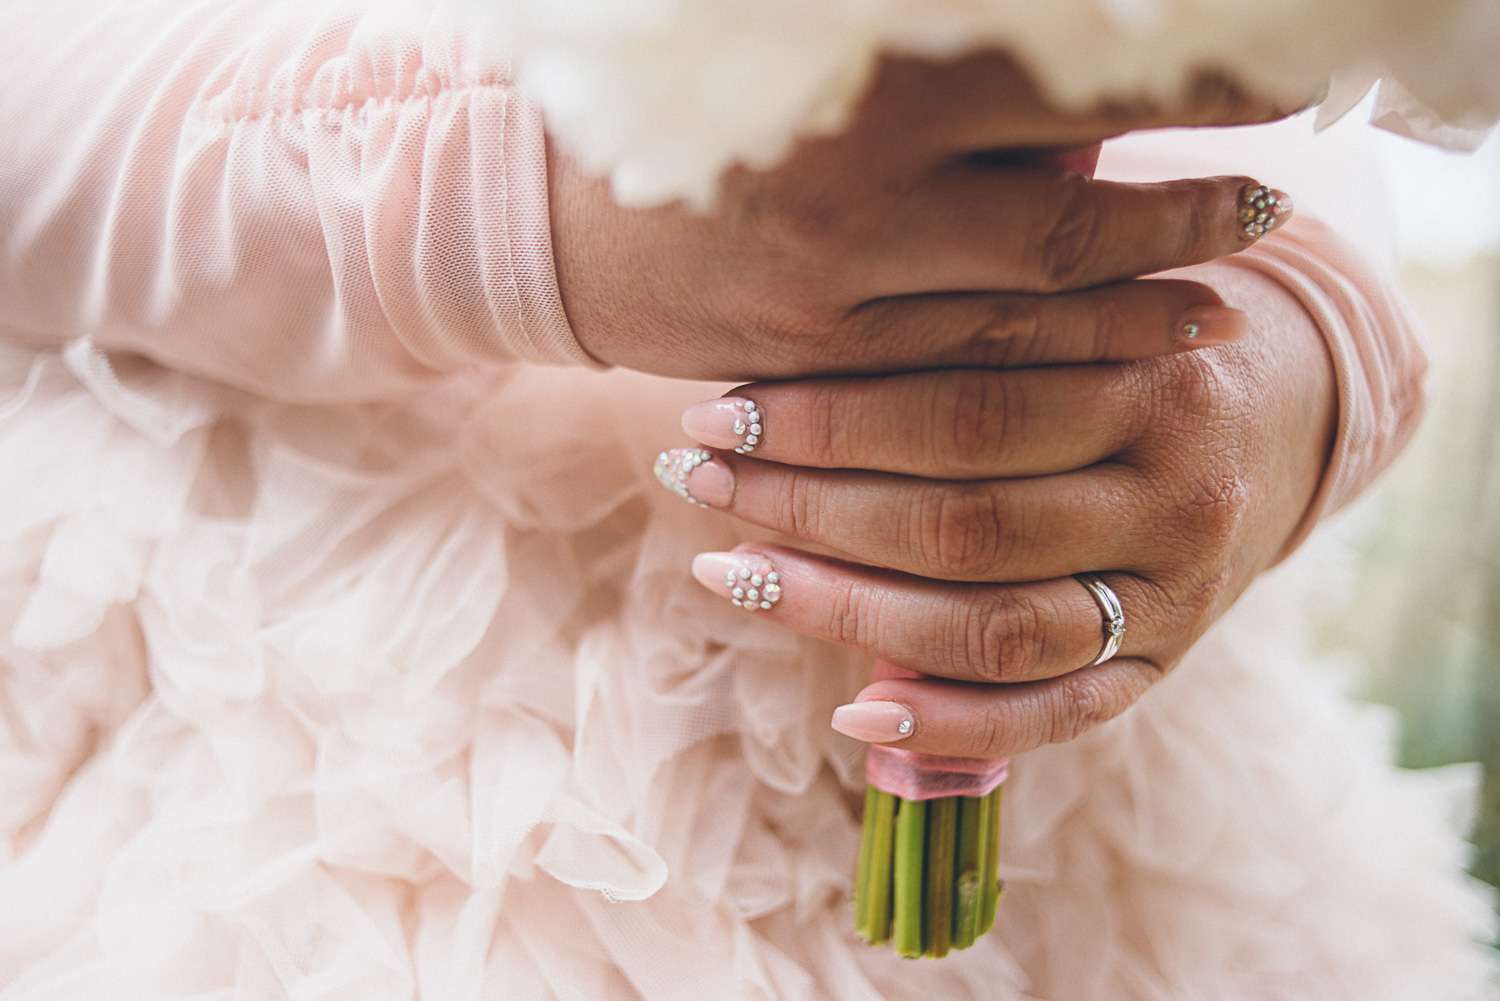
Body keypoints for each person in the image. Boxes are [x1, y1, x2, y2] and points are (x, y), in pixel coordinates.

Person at [0, 1, 1492, 998]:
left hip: (1110, 802)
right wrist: (504, 209)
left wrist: (1300, 341)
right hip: (282, 686)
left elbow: (1282, 60)